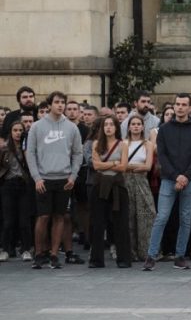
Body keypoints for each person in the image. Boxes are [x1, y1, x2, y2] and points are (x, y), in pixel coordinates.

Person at [143, 93, 191, 271]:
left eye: (184, 104)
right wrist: (176, 176)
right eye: (178, 104)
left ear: (189, 108)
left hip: (189, 180)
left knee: (185, 218)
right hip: (169, 179)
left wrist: (185, 176)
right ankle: (151, 256)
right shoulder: (164, 128)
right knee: (161, 217)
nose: (180, 107)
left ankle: (180, 256)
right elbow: (162, 155)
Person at [26, 91, 83, 270]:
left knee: (60, 217)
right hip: (43, 179)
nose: (60, 105)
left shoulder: (72, 128)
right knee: (43, 217)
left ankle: (53, 254)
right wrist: (36, 177)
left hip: (64, 179)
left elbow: (78, 153)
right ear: (49, 104)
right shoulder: (37, 126)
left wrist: (73, 176)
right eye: (57, 102)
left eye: (62, 102)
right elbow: (30, 153)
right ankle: (39, 254)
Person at [88, 116, 131, 269]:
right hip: (100, 185)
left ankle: (124, 259)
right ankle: (96, 260)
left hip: (117, 187)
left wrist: (106, 164)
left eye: (111, 125)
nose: (108, 127)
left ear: (116, 128)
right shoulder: (96, 144)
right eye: (105, 125)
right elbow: (96, 166)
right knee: (98, 223)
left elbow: (123, 167)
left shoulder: (123, 144)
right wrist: (114, 163)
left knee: (121, 223)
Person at [123, 115, 156, 263]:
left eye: (138, 124)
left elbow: (147, 166)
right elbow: (121, 166)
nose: (136, 126)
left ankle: (146, 251)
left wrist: (130, 168)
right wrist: (136, 167)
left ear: (143, 127)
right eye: (133, 124)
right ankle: (130, 251)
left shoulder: (148, 144)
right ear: (129, 127)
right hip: (126, 182)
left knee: (147, 214)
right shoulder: (123, 143)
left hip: (142, 182)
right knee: (129, 216)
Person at [0, 121, 34, 261]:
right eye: (15, 130)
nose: (18, 133)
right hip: (8, 184)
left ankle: (26, 249)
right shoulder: (4, 148)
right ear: (11, 131)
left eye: (20, 130)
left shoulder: (27, 147)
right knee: (8, 220)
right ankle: (5, 249)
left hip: (23, 184)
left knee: (24, 221)